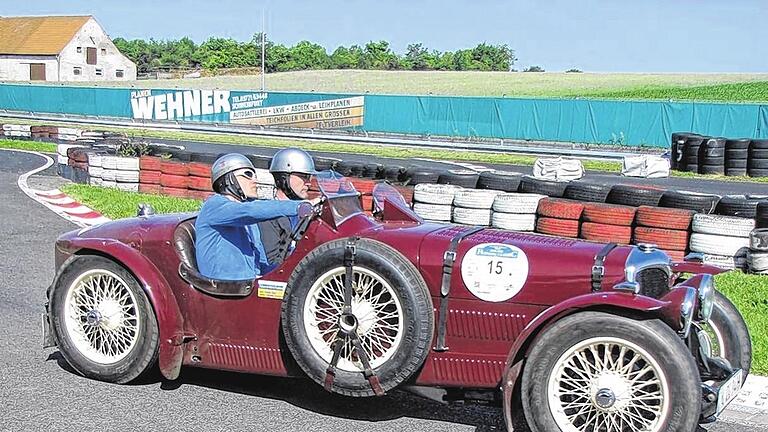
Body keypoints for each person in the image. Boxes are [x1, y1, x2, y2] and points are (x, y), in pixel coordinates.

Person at [194, 153, 318, 281]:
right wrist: (299, 207)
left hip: (249, 284)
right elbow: (249, 211)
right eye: (248, 174)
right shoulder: (214, 206)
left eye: (255, 175)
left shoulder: (248, 220)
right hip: (224, 287)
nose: (255, 180)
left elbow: (262, 261)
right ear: (228, 178)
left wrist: (290, 274)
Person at [258, 148, 316, 266]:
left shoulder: (304, 213)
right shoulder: (269, 217)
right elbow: (272, 263)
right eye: (303, 176)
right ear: (284, 178)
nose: (308, 183)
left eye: (309, 177)